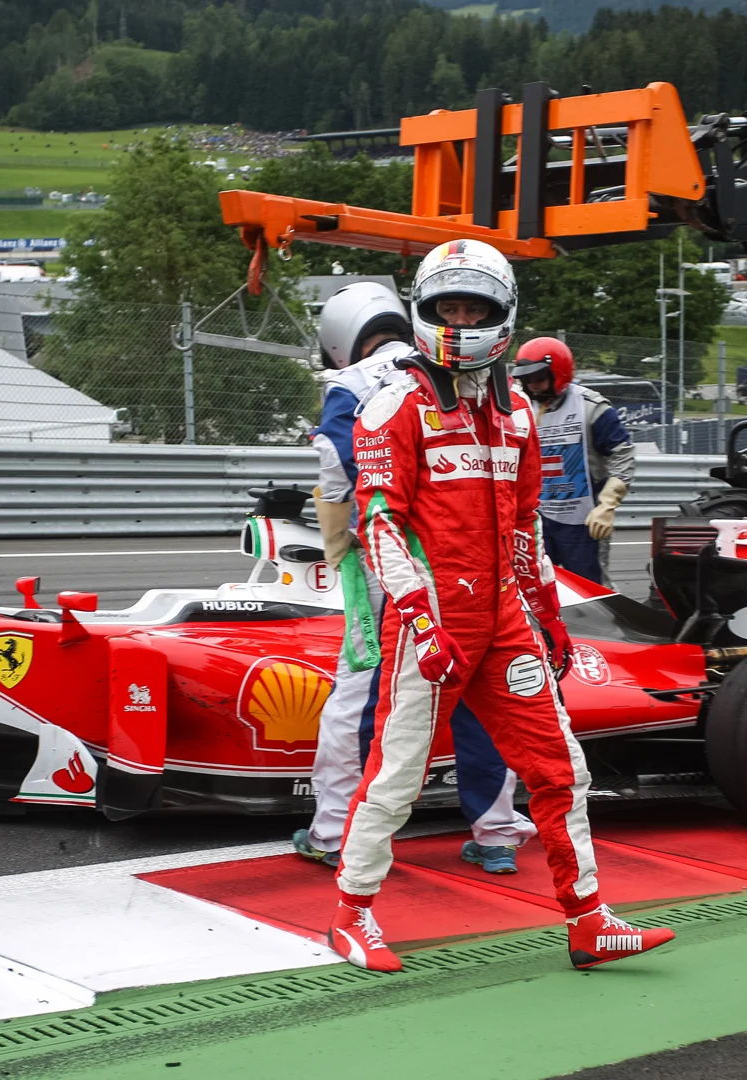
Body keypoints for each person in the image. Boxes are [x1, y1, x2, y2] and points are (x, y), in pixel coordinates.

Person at [328, 240, 674, 973]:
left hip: (505, 623)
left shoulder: (516, 410)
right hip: (430, 628)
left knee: (560, 768)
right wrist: (421, 621)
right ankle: (353, 914)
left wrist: (549, 617)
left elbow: (526, 528)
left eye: (474, 308)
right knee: (398, 773)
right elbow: (381, 524)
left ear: (502, 315)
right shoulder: (394, 406)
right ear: (423, 312)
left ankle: (587, 918)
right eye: (448, 307)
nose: (460, 320)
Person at [297, 282, 537, 875]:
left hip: (390, 562)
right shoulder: (467, 371)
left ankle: (333, 831)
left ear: (339, 338)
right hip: (478, 565)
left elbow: (341, 481)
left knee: (360, 698)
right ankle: (498, 832)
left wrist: (342, 548)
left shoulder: (349, 387)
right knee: (482, 697)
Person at [512, 337, 635, 585]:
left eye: (539, 379)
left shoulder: (591, 407)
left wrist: (608, 504)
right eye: (527, 380)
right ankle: (547, 626)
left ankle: (597, 625)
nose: (533, 386)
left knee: (590, 588)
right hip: (537, 519)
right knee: (538, 585)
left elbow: (622, 455)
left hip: (582, 521)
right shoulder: (519, 408)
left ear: (558, 373)